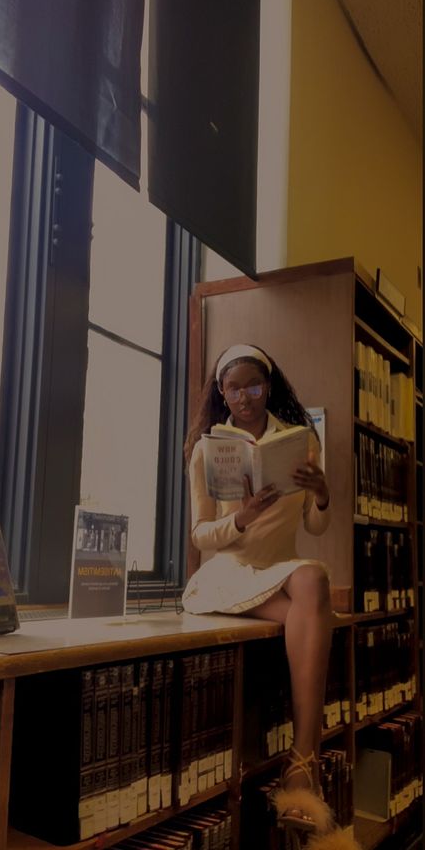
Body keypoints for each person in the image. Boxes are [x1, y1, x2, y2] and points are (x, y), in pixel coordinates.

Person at [183, 344, 357, 849]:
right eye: (234, 388)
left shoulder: (300, 442)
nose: (244, 397)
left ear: (269, 386)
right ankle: (304, 769)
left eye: (254, 386)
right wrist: (244, 515)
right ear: (221, 393)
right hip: (228, 571)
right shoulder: (206, 449)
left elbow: (315, 526)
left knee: (312, 581)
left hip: (279, 568)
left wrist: (322, 493)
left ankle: (301, 759)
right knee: (314, 605)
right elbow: (200, 535)